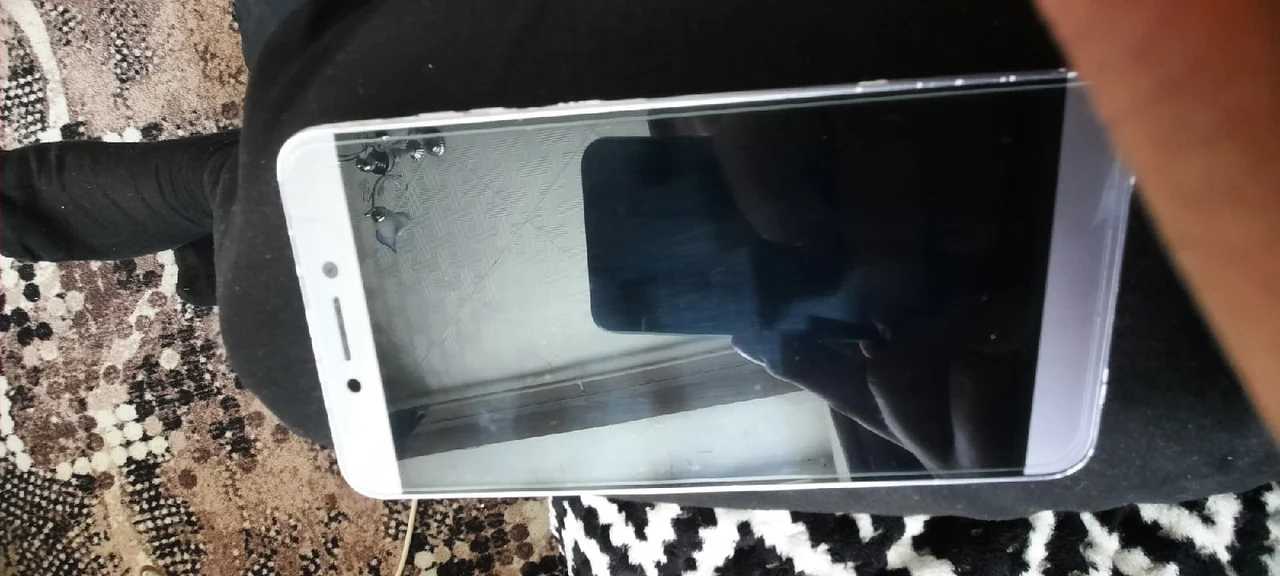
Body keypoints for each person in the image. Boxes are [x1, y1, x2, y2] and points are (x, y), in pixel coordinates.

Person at [2, 0, 1278, 519]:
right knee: (290, 211)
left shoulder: (805, 337)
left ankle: (217, 204)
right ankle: (211, 202)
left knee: (289, 258)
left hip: (1191, 372)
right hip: (1189, 365)